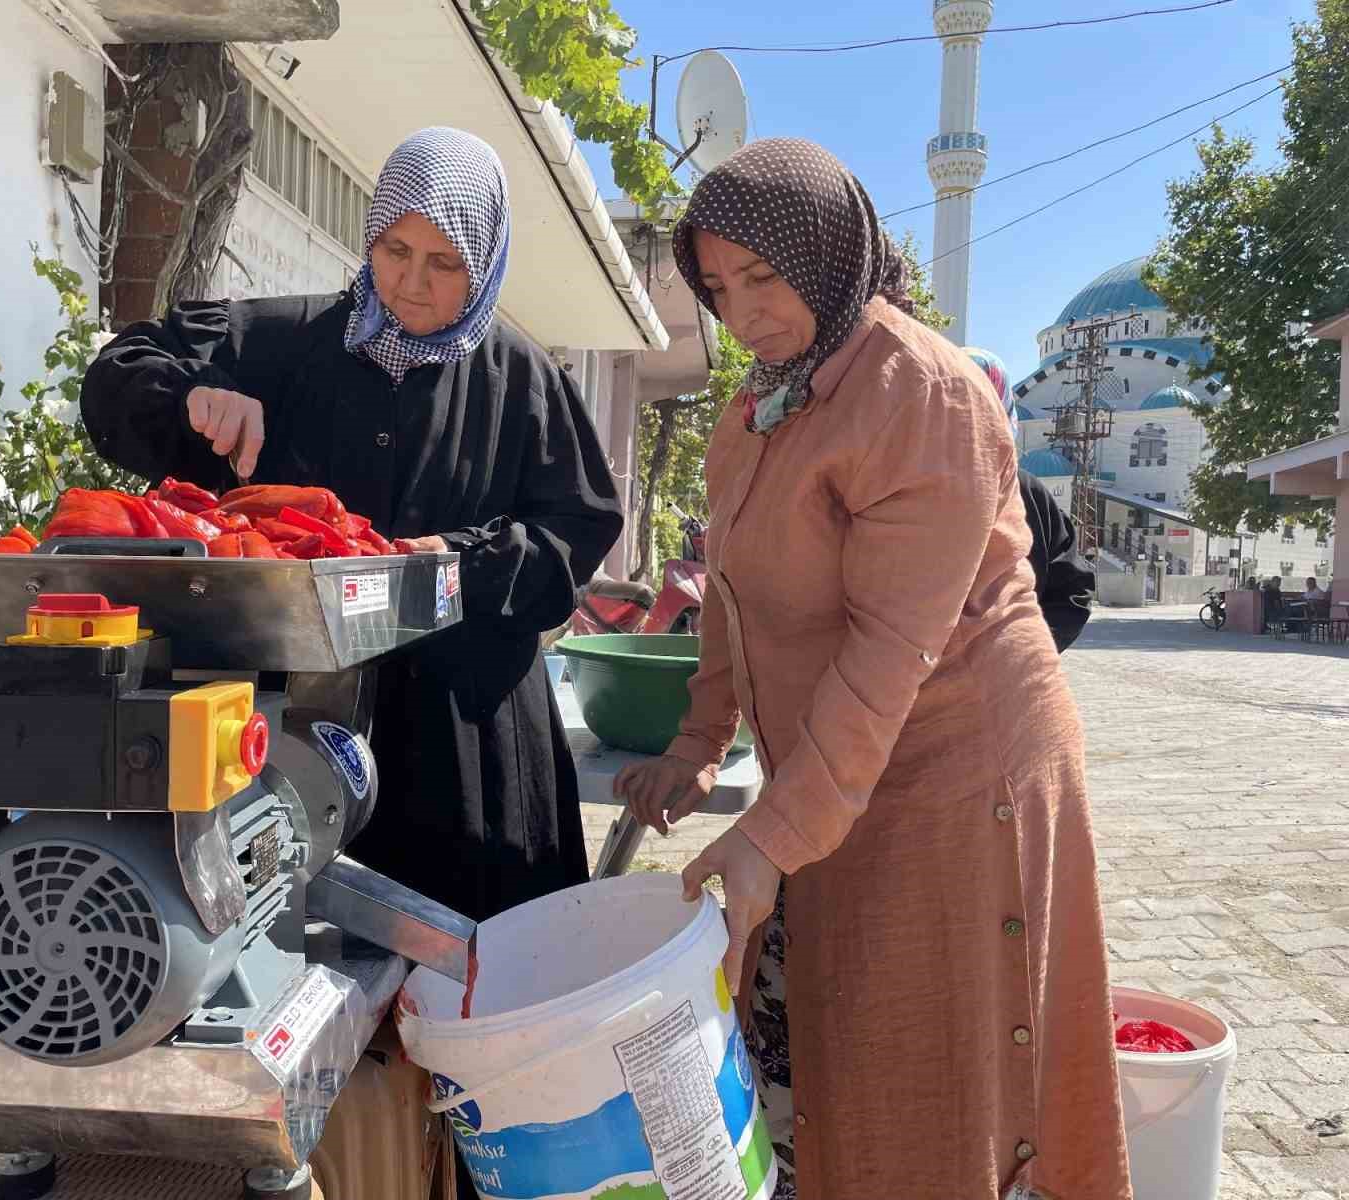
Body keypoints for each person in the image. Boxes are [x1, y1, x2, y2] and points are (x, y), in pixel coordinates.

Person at [613, 139, 1129, 1199]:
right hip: (839, 768)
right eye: (717, 288)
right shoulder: (756, 409)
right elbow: (732, 598)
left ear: (828, 252)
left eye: (763, 277)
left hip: (953, 767)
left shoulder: (920, 392)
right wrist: (696, 746)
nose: (743, 312)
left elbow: (890, 650)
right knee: (823, 1027)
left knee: (938, 1063)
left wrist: (771, 835)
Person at [81, 127, 621, 926]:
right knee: (292, 975)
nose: (410, 282)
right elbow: (116, 376)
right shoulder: (276, 342)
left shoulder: (523, 380)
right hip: (288, 733)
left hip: (467, 747)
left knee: (471, 986)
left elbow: (577, 529)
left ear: (486, 262)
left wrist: (461, 563)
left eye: (445, 263)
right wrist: (193, 392)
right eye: (394, 249)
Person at [963, 346, 1094, 652]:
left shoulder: (1027, 493)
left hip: (1008, 677)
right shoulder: (914, 486)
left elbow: (1073, 586)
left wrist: (1032, 649)